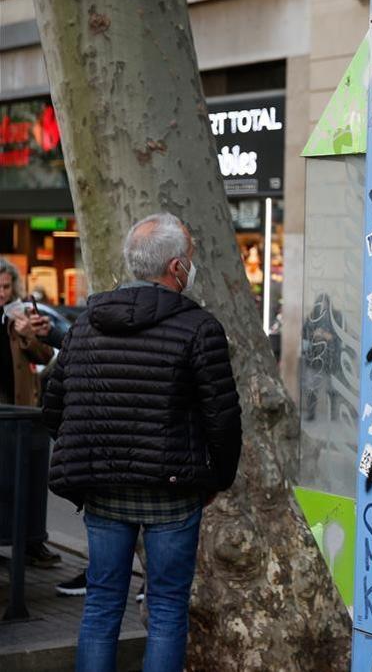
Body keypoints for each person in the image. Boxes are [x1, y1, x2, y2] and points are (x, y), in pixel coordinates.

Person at [43, 213, 243, 671]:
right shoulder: (199, 328)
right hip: (173, 493)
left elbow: (53, 407)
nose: (192, 265)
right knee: (169, 610)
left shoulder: (86, 324)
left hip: (103, 490)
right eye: (189, 257)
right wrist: (217, 478)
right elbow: (223, 419)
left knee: (100, 605)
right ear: (176, 268)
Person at [0, 259, 62, 568]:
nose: (1, 293)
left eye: (6, 287)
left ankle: (32, 542)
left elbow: (46, 356)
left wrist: (29, 335)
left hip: (21, 411)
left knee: (29, 479)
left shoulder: (20, 314)